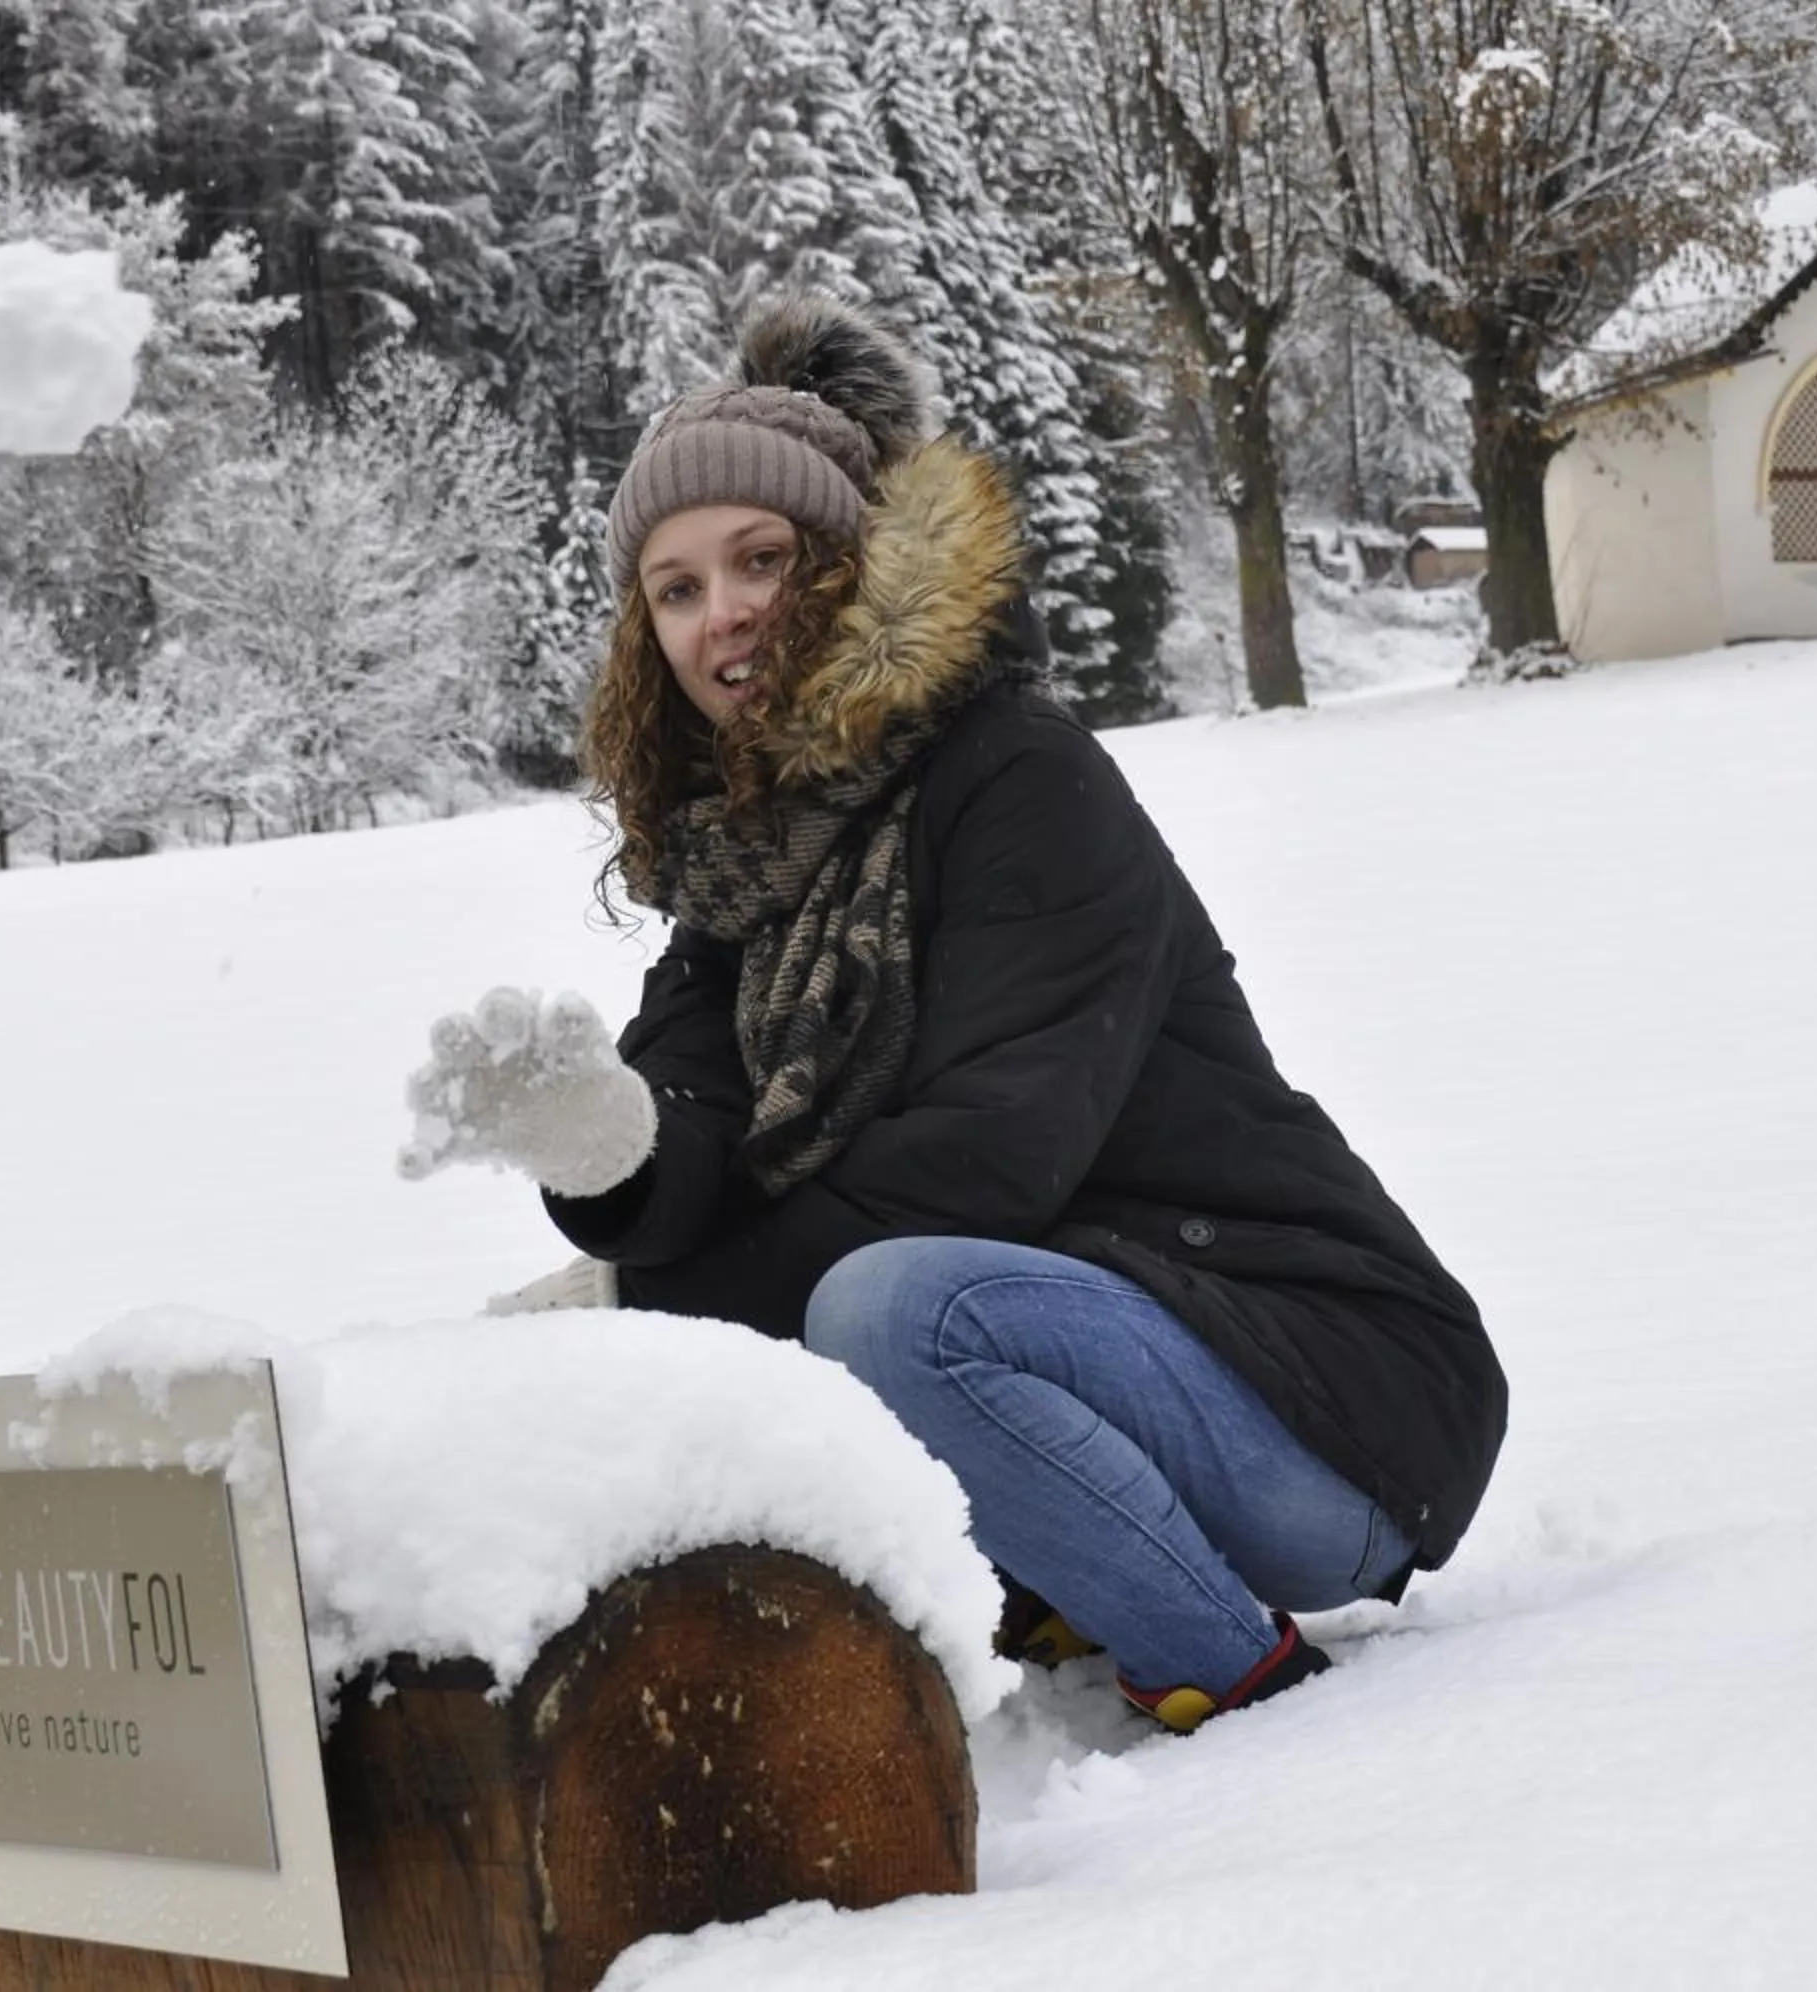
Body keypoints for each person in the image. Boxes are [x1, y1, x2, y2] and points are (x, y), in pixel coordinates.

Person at [402, 297, 1505, 1730]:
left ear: (853, 570)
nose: (718, 611)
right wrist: (605, 1146)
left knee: (887, 1303)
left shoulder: (1018, 778)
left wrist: (645, 1298)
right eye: (673, 588)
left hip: (1333, 1414)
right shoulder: (741, 856)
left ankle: (1234, 1673)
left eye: (760, 560)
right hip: (1117, 1386)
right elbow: (696, 1156)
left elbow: (987, 1166)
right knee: (729, 1324)